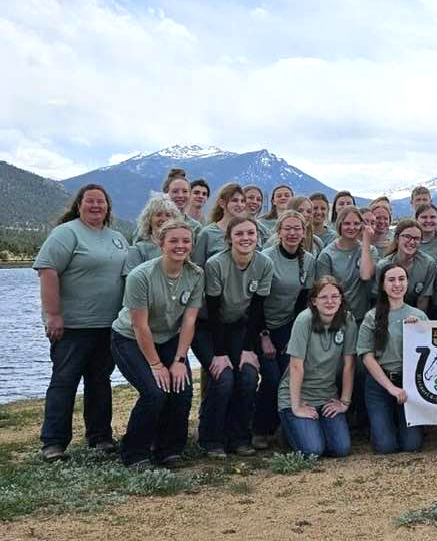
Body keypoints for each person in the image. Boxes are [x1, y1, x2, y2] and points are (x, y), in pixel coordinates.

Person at [34, 184, 127, 461]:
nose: (96, 206)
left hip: (107, 325)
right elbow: (47, 271)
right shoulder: (66, 233)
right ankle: (54, 443)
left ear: (108, 207)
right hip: (72, 326)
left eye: (101, 201)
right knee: (65, 381)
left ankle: (100, 437)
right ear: (79, 205)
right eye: (90, 201)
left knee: (100, 381)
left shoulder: (118, 238)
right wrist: (53, 315)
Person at [110, 220, 201, 467]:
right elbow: (140, 325)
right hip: (130, 338)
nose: (180, 246)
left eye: (185, 240)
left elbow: (189, 321)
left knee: (182, 390)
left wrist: (180, 360)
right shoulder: (141, 276)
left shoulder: (195, 275)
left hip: (169, 338)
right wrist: (157, 364)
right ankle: (134, 453)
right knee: (155, 392)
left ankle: (169, 449)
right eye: (173, 240)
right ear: (161, 244)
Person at [193, 215, 274, 457]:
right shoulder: (216, 264)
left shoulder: (264, 264)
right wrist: (219, 353)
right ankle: (211, 438)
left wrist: (249, 349)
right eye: (239, 234)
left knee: (248, 375)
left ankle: (239, 436)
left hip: (239, 326)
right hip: (208, 327)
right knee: (223, 377)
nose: (245, 238)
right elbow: (215, 311)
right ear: (229, 239)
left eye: (250, 233)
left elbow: (257, 309)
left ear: (257, 237)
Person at [253, 211, 317, 449]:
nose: (292, 233)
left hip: (287, 326)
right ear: (278, 232)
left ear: (304, 232)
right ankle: (259, 429)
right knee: (270, 377)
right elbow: (256, 303)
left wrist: (294, 336)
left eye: (297, 229)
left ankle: (283, 428)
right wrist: (264, 336)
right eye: (287, 228)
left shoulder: (308, 260)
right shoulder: (265, 258)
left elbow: (302, 302)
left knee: (288, 376)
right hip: (261, 325)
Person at [278, 277, 357, 457]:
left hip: (326, 396)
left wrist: (344, 402)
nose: (330, 301)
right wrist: (297, 406)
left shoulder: (348, 320)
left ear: (341, 299)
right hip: (299, 395)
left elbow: (349, 364)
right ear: (314, 301)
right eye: (324, 297)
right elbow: (296, 366)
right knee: (313, 451)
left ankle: (312, 428)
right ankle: (287, 427)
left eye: (335, 296)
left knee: (341, 449)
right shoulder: (303, 320)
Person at [358, 264, 427, 453]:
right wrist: (391, 388)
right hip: (380, 384)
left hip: (410, 384)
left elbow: (430, 352)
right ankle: (379, 428)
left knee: (411, 445)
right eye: (391, 280)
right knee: (385, 447)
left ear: (407, 282)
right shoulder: (371, 317)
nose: (397, 284)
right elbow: (366, 356)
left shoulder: (419, 315)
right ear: (382, 285)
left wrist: (419, 329)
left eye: (401, 279)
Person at [317, 206, 378, 323]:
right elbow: (323, 290)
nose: (352, 227)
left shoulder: (370, 250)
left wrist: (366, 242)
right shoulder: (327, 255)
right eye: (347, 223)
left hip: (362, 317)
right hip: (337, 316)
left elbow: (365, 275)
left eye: (356, 223)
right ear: (340, 224)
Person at [374, 219, 436, 312]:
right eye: (407, 237)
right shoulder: (383, 266)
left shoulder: (428, 264)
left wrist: (417, 322)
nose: (411, 242)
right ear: (397, 238)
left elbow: (423, 299)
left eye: (416, 238)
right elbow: (380, 298)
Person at [123, 194, 182, 277]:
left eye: (168, 215)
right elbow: (130, 281)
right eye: (158, 215)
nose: (164, 219)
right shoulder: (138, 250)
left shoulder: (180, 249)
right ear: (148, 220)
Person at [192, 183, 246, 264]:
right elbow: (198, 265)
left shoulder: (247, 233)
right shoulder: (207, 233)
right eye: (235, 200)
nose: (240, 205)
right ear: (222, 203)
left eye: (242, 201)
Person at [162, 169, 201, 235]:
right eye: (175, 191)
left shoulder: (196, 227)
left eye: (185, 191)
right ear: (166, 193)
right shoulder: (155, 223)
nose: (180, 195)